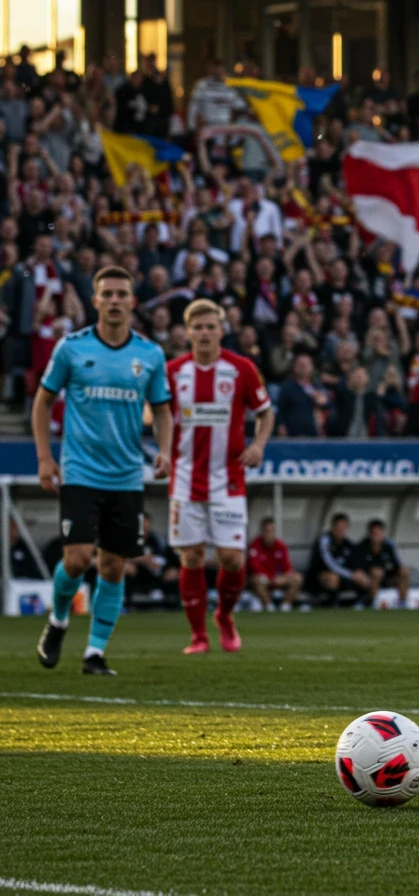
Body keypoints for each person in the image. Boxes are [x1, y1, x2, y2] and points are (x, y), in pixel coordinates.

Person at [34, 266, 173, 676]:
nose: (114, 300)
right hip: (79, 471)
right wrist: (45, 458)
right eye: (107, 294)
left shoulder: (149, 354)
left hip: (127, 475)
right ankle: (58, 620)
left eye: (121, 294)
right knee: (77, 559)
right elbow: (42, 403)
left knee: (113, 565)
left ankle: (94, 653)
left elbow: (163, 410)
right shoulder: (71, 348)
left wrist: (163, 451)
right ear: (95, 301)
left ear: (132, 301)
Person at [167, 299, 274, 654]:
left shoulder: (241, 369)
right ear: (187, 332)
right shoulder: (173, 372)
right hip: (184, 477)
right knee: (192, 556)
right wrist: (158, 442)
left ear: (221, 329)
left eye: (211, 326)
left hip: (227, 478)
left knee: (232, 558)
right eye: (197, 327)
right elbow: (156, 413)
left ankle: (224, 616)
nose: (204, 333)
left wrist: (258, 445)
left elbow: (265, 413)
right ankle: (198, 636)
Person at [305, 513, 373, 606]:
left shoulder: (348, 544)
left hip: (343, 576)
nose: (340, 530)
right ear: (332, 527)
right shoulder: (324, 540)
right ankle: (332, 605)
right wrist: (350, 575)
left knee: (363, 576)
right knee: (333, 578)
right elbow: (330, 563)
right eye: (338, 526)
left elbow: (355, 561)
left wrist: (358, 573)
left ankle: (362, 604)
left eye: (343, 527)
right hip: (318, 577)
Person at [247, 517, 303, 611]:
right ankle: (269, 606)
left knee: (297, 578)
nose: (269, 534)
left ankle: (285, 606)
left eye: (272, 531)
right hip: (263, 578)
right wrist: (269, 577)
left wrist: (283, 577)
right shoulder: (255, 544)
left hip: (277, 579)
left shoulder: (281, 545)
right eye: (267, 531)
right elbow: (254, 566)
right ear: (262, 531)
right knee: (257, 580)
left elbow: (287, 566)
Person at [354, 519, 411, 606]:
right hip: (369, 580)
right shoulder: (362, 547)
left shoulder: (388, 547)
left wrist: (400, 571)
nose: (377, 535)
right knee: (376, 572)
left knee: (404, 571)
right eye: (374, 533)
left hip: (387, 578)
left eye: (379, 532)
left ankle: (402, 602)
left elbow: (397, 566)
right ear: (370, 534)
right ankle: (370, 602)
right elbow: (358, 570)